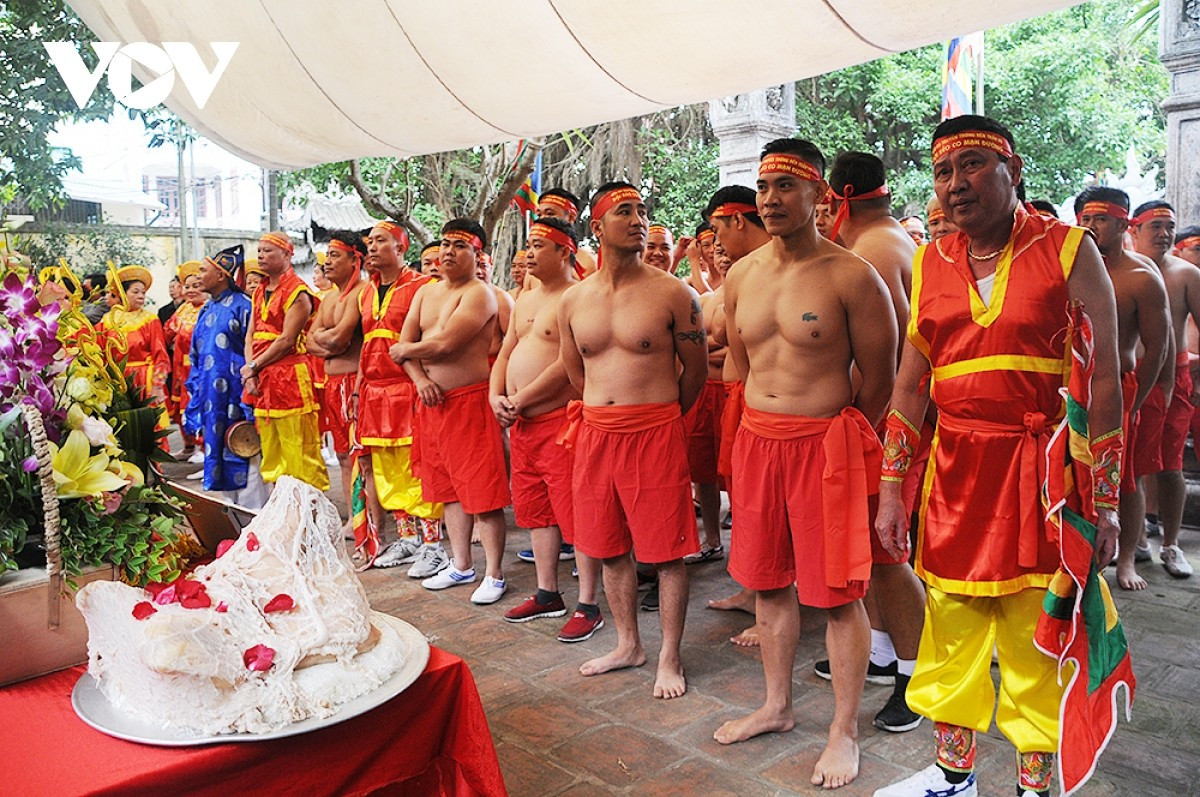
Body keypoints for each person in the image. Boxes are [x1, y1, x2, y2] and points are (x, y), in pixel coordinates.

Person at [872, 115, 1122, 797]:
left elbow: (1103, 380)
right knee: (950, 623)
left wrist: (1104, 503)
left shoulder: (1070, 250)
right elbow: (907, 384)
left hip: (1042, 479)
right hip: (953, 477)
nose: (956, 185)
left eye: (974, 164)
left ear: (1016, 171)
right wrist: (892, 491)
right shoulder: (929, 260)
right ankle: (954, 777)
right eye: (944, 172)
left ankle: (1035, 786)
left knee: (1034, 634)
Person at [715, 140, 895, 792]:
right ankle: (776, 703)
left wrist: (837, 440)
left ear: (822, 194)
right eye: (763, 185)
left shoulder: (851, 274)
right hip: (758, 442)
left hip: (826, 447)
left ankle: (844, 728)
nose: (769, 197)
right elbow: (742, 363)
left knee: (838, 593)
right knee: (768, 583)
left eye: (786, 184)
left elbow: (880, 380)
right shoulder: (741, 276)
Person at [556, 181, 705, 700]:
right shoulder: (573, 300)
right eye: (625, 211)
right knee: (605, 544)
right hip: (597, 433)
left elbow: (695, 372)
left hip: (656, 432)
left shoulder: (674, 293)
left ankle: (669, 654)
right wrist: (609, 413)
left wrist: (659, 417)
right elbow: (576, 373)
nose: (639, 219)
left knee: (667, 553)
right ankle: (627, 644)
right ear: (596, 227)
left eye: (643, 209)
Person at [823, 151, 926, 735]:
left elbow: (886, 363)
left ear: (840, 197)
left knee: (886, 553)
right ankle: (885, 657)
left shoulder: (875, 250)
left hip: (883, 424)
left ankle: (916, 674)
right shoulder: (887, 242)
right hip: (882, 422)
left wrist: (857, 424)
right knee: (871, 547)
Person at [490, 218, 604, 640]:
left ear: (564, 251)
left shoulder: (579, 296)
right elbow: (506, 353)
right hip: (523, 424)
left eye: (539, 245)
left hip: (561, 421)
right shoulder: (526, 297)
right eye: (529, 245)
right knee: (536, 511)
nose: (530, 253)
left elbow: (567, 365)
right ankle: (547, 592)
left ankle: (588, 602)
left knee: (578, 513)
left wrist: (521, 399)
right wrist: (495, 397)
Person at [393, 219, 511, 605]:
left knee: (482, 493)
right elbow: (406, 342)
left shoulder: (481, 294)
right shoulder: (426, 294)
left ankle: (494, 572)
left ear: (477, 255)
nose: (448, 251)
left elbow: (443, 344)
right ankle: (461, 564)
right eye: (444, 244)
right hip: (431, 403)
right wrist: (419, 379)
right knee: (447, 491)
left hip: (469, 401)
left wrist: (406, 353)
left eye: (459, 245)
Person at [1073, 188, 1171, 592]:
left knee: (1123, 479)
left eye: (1100, 219)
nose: (1090, 226)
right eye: (1085, 218)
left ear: (1122, 223)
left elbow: (1158, 346)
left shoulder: (1141, 277)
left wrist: (1137, 401)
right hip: (1076, 388)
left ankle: (1127, 559)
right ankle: (1076, 552)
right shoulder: (1069, 268)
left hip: (1123, 388)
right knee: (1077, 472)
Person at [702, 185, 773, 642]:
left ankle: (776, 599)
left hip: (775, 407)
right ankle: (755, 591)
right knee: (746, 501)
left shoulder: (773, 266)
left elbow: (719, 330)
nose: (716, 243)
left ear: (737, 221)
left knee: (768, 505)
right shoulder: (746, 271)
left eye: (716, 229)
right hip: (742, 395)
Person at [353, 221, 445, 572]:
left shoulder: (424, 287)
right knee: (387, 469)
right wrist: (360, 389)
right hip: (375, 393)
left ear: (401, 248)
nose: (372, 248)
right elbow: (366, 344)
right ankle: (407, 540)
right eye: (369, 242)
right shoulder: (366, 291)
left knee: (417, 467)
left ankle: (434, 545)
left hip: (409, 387)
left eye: (380, 241)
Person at [1130, 200, 1198, 580]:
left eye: (1168, 226)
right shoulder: (1118, 269)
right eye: (1154, 226)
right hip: (1134, 375)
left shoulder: (1186, 274)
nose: (1163, 233)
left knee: (1171, 465)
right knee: (1132, 467)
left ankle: (1171, 545)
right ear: (1134, 230)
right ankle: (1137, 540)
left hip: (1177, 374)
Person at [241, 231, 330, 491]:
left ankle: (312, 520)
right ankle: (281, 516)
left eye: (268, 250)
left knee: (301, 454)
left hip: (290, 377)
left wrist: (253, 366)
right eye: (259, 250)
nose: (261, 255)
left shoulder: (298, 292)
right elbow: (250, 335)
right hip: (262, 379)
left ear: (287, 255)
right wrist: (251, 372)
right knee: (271, 453)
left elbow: (286, 340)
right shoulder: (259, 291)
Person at [185, 245, 265, 507]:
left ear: (221, 275)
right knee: (218, 452)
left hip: (238, 396)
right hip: (211, 398)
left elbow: (256, 350)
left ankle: (255, 522)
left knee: (245, 451)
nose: (198, 276)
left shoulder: (245, 306)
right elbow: (196, 355)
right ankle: (234, 521)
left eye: (203, 270)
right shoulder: (206, 309)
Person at [306, 232, 369, 534]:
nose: (327, 262)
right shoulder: (329, 298)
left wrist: (328, 340)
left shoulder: (363, 292)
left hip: (353, 383)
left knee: (360, 456)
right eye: (327, 255)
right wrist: (327, 342)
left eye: (334, 255)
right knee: (343, 456)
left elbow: (341, 338)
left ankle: (368, 521)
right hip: (332, 383)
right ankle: (354, 518)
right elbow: (310, 341)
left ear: (355, 259)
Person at [99, 265, 170, 410]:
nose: (141, 296)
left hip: (144, 380)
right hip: (117, 381)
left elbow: (160, 355)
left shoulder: (150, 320)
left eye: (143, 292)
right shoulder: (107, 320)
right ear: (122, 293)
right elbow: (99, 351)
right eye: (135, 292)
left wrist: (157, 385)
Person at [165, 261, 207, 462]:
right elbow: (168, 331)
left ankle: (204, 448)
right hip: (181, 368)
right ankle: (188, 445)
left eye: (196, 286)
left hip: (200, 367)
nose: (191, 291)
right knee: (182, 406)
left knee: (200, 404)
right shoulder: (182, 310)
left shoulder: (209, 308)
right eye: (187, 286)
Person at [536, 187, 596, 277]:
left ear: (571, 217)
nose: (543, 219)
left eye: (550, 213)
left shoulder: (586, 261)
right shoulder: (533, 262)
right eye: (539, 215)